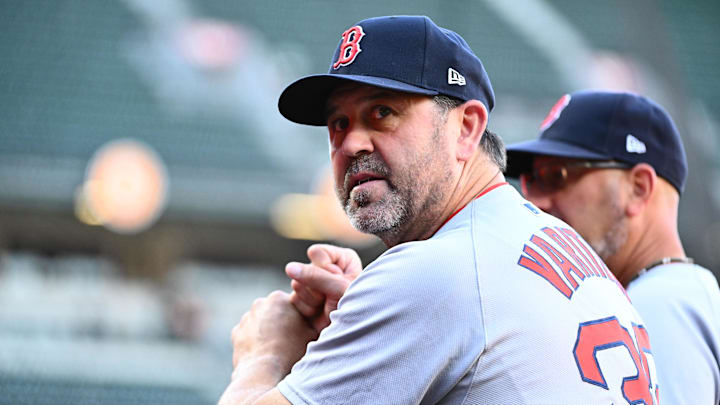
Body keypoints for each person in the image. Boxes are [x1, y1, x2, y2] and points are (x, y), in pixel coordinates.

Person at [218, 16, 658, 404]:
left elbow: (442, 290)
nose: (351, 143)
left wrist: (266, 355)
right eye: (339, 123)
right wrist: (368, 322)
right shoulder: (555, 244)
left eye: (383, 112)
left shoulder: (438, 271)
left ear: (466, 128)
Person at [503, 90, 720, 404]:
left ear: (638, 188)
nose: (536, 200)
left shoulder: (659, 303)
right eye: (531, 180)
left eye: (556, 176)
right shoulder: (677, 293)